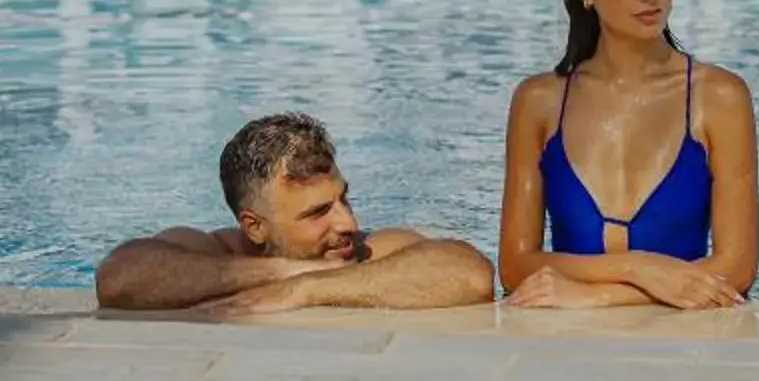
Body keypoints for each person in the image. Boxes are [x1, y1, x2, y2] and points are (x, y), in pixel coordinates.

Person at [498, 0, 759, 309]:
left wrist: (594, 298)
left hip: (684, 346)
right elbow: (514, 265)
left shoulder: (718, 98)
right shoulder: (540, 103)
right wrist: (641, 268)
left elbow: (737, 267)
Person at [94, 111, 495, 313]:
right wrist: (284, 271)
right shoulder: (215, 252)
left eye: (344, 199)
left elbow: (471, 274)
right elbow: (118, 279)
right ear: (253, 227)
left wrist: (307, 288)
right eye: (318, 212)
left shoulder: (368, 250)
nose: (348, 224)